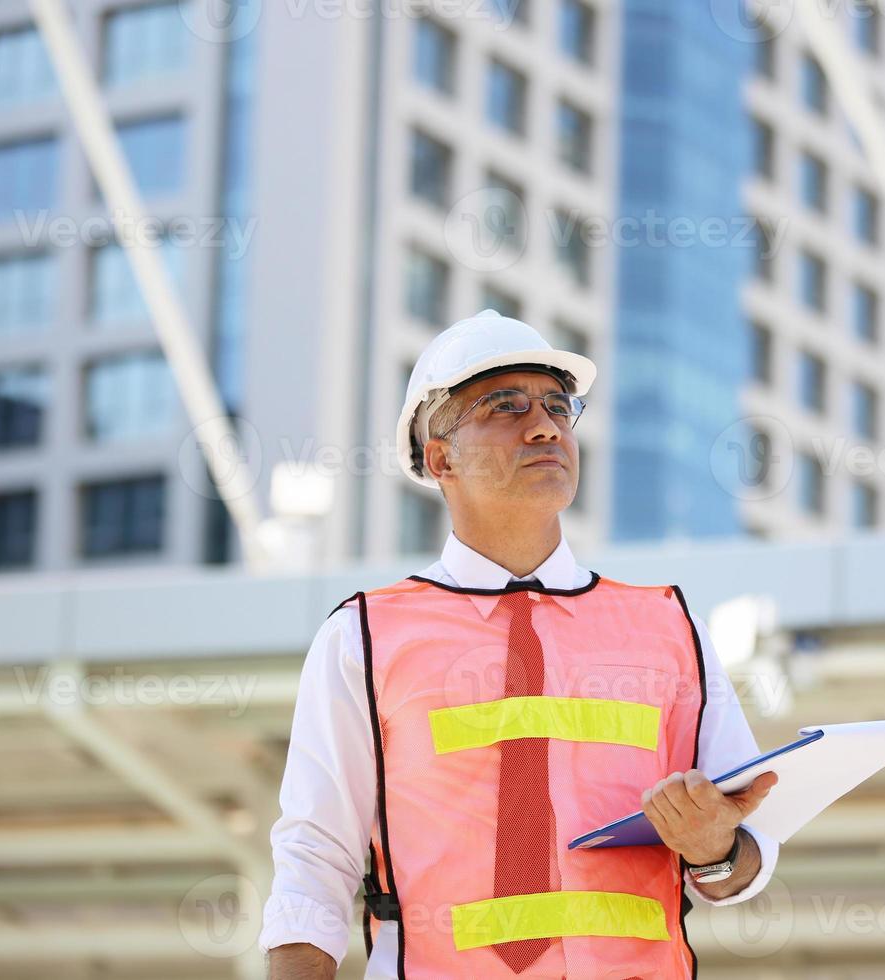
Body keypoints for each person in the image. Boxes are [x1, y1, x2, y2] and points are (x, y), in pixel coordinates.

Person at [262, 310, 779, 978]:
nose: (545, 427)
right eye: (505, 407)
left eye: (559, 408)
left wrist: (716, 849)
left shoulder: (669, 627)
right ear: (439, 457)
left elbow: (750, 855)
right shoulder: (362, 638)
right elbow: (314, 865)